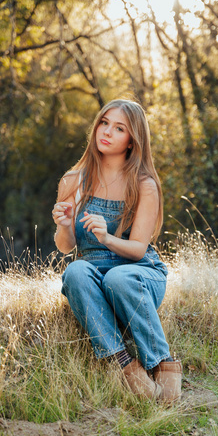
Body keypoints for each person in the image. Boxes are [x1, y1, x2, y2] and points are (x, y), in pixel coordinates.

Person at [52, 99, 182, 402]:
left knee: (118, 278)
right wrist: (64, 225)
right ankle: (123, 363)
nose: (106, 131)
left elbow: (137, 249)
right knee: (75, 270)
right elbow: (65, 247)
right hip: (93, 275)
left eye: (119, 128)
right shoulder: (73, 180)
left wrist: (107, 237)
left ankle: (164, 362)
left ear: (132, 140)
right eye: (104, 122)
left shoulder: (144, 185)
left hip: (138, 276)